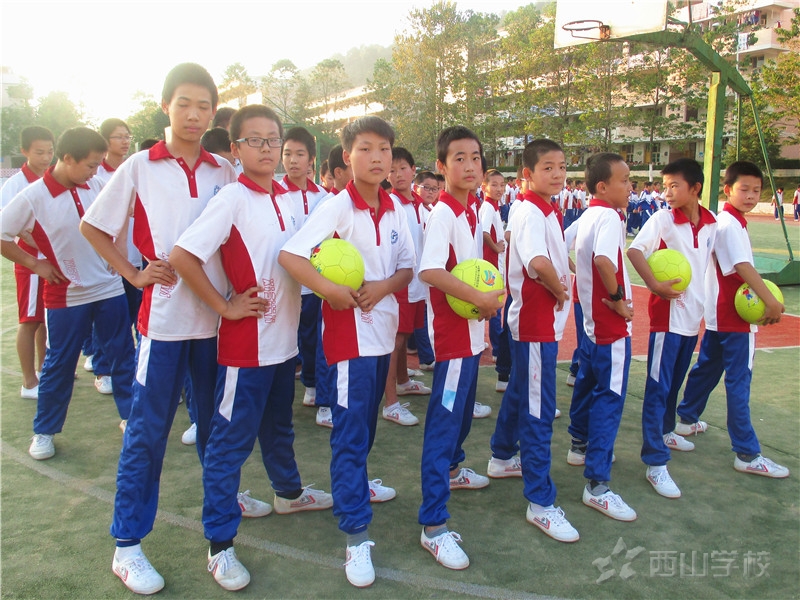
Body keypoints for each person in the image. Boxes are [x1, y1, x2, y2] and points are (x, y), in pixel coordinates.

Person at [80, 63, 264, 595]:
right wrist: (134, 273)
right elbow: (94, 226)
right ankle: (128, 546)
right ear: (166, 106)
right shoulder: (140, 166)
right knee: (147, 433)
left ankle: (221, 537)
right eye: (184, 104)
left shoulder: (224, 171)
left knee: (217, 432)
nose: (194, 115)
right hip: (162, 325)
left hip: (217, 325)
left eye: (204, 106)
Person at [170, 105, 333, 591]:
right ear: (235, 148)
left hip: (284, 344)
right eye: (254, 140)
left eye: (272, 139)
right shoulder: (232, 199)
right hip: (247, 348)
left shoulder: (287, 196)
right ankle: (220, 545)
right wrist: (224, 306)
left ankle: (288, 493)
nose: (266, 148)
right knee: (229, 446)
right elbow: (183, 256)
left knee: (279, 427)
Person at [279, 116, 414, 588]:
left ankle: (355, 485)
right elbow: (291, 256)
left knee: (366, 425)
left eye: (384, 149)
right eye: (365, 148)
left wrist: (383, 287)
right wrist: (330, 291)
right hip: (348, 339)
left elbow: (406, 268)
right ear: (347, 156)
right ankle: (355, 535)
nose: (377, 157)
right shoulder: (336, 207)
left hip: (382, 334)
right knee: (350, 433)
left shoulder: (396, 208)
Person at [0, 127, 135, 459]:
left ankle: (132, 418)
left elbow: (120, 218)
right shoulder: (32, 196)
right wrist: (36, 264)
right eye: (90, 165)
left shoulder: (97, 185)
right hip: (66, 295)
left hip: (109, 288)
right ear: (68, 158)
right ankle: (44, 431)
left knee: (122, 355)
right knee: (59, 363)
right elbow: (2, 234)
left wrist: (117, 253)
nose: (94, 171)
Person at [417, 126, 504, 571]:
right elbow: (430, 270)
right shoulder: (443, 214)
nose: (470, 166)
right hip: (451, 340)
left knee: (464, 417)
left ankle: (452, 471)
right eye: (459, 158)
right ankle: (433, 525)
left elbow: (469, 270)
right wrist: (480, 299)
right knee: (443, 426)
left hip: (470, 335)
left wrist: (484, 296)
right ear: (441, 166)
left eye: (475, 158)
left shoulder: (473, 210)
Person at [487, 139, 578, 542]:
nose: (557, 174)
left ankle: (502, 455)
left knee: (522, 390)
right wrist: (559, 288)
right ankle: (540, 501)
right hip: (536, 322)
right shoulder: (528, 211)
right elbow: (537, 261)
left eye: (562, 166)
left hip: (541, 323)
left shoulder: (545, 208)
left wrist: (564, 274)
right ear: (527, 174)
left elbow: (549, 256)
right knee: (539, 409)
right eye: (548, 167)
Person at [676, 161, 789, 478]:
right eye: (744, 189)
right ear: (727, 190)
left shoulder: (724, 221)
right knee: (739, 381)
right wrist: (770, 301)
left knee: (708, 368)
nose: (751, 196)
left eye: (756, 190)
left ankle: (686, 418)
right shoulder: (730, 224)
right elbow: (742, 266)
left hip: (719, 313)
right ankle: (747, 453)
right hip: (737, 317)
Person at [627, 158, 717, 499]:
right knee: (658, 388)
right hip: (667, 318)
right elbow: (635, 250)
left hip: (693, 318)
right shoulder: (662, 219)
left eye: (674, 186)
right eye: (664, 186)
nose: (667, 192)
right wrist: (654, 285)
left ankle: (666, 431)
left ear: (695, 188)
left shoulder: (710, 223)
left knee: (674, 383)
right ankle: (655, 462)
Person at [567, 152, 637, 522]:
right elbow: (604, 261)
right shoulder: (608, 216)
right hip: (610, 325)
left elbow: (565, 244)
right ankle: (597, 484)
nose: (630, 186)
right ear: (602, 186)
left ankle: (578, 443)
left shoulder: (589, 215)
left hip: (593, 323)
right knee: (610, 397)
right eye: (624, 180)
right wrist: (618, 299)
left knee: (587, 382)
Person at [0, 125, 54, 399]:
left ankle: (46, 369)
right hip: (30, 262)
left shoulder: (51, 178)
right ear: (24, 151)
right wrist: (43, 245)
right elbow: (12, 228)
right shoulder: (15, 184)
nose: (46, 157)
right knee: (29, 320)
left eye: (50, 152)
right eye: (39, 152)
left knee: (45, 319)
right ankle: (29, 382)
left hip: (51, 259)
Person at [280, 127, 330, 409]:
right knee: (283, 337)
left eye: (300, 154)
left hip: (311, 281)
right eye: (287, 153)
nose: (293, 160)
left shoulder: (323, 197)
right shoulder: (274, 193)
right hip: (280, 280)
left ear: (311, 159)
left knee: (312, 337)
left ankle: (312, 387)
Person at [86, 118, 135, 396]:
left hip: (136, 256)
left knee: (134, 314)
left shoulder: (134, 171)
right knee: (109, 319)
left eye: (127, 136)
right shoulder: (97, 177)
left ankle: (128, 368)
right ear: (106, 141)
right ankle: (103, 368)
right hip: (108, 260)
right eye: (119, 137)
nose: (125, 141)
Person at [383, 147, 429, 427]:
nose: (397, 174)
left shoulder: (420, 204)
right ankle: (390, 404)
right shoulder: (390, 203)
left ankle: (402, 381)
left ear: (413, 170)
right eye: (392, 170)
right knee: (396, 340)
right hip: (399, 282)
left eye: (402, 168)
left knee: (405, 334)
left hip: (416, 282)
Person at [410, 170, 438, 371]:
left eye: (434, 189)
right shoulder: (415, 209)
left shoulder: (431, 210)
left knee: (422, 314)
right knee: (420, 316)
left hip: (427, 271)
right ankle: (427, 357)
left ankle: (424, 353)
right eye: (426, 187)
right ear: (416, 187)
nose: (430, 192)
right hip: (414, 272)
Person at [479, 169, 506, 370]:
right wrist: (496, 247)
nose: (499, 189)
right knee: (496, 308)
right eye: (494, 185)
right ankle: (498, 349)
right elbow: (484, 232)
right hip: (491, 265)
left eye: (502, 185)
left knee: (495, 307)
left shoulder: (494, 207)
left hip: (495, 264)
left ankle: (489, 343)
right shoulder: (488, 207)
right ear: (484, 187)